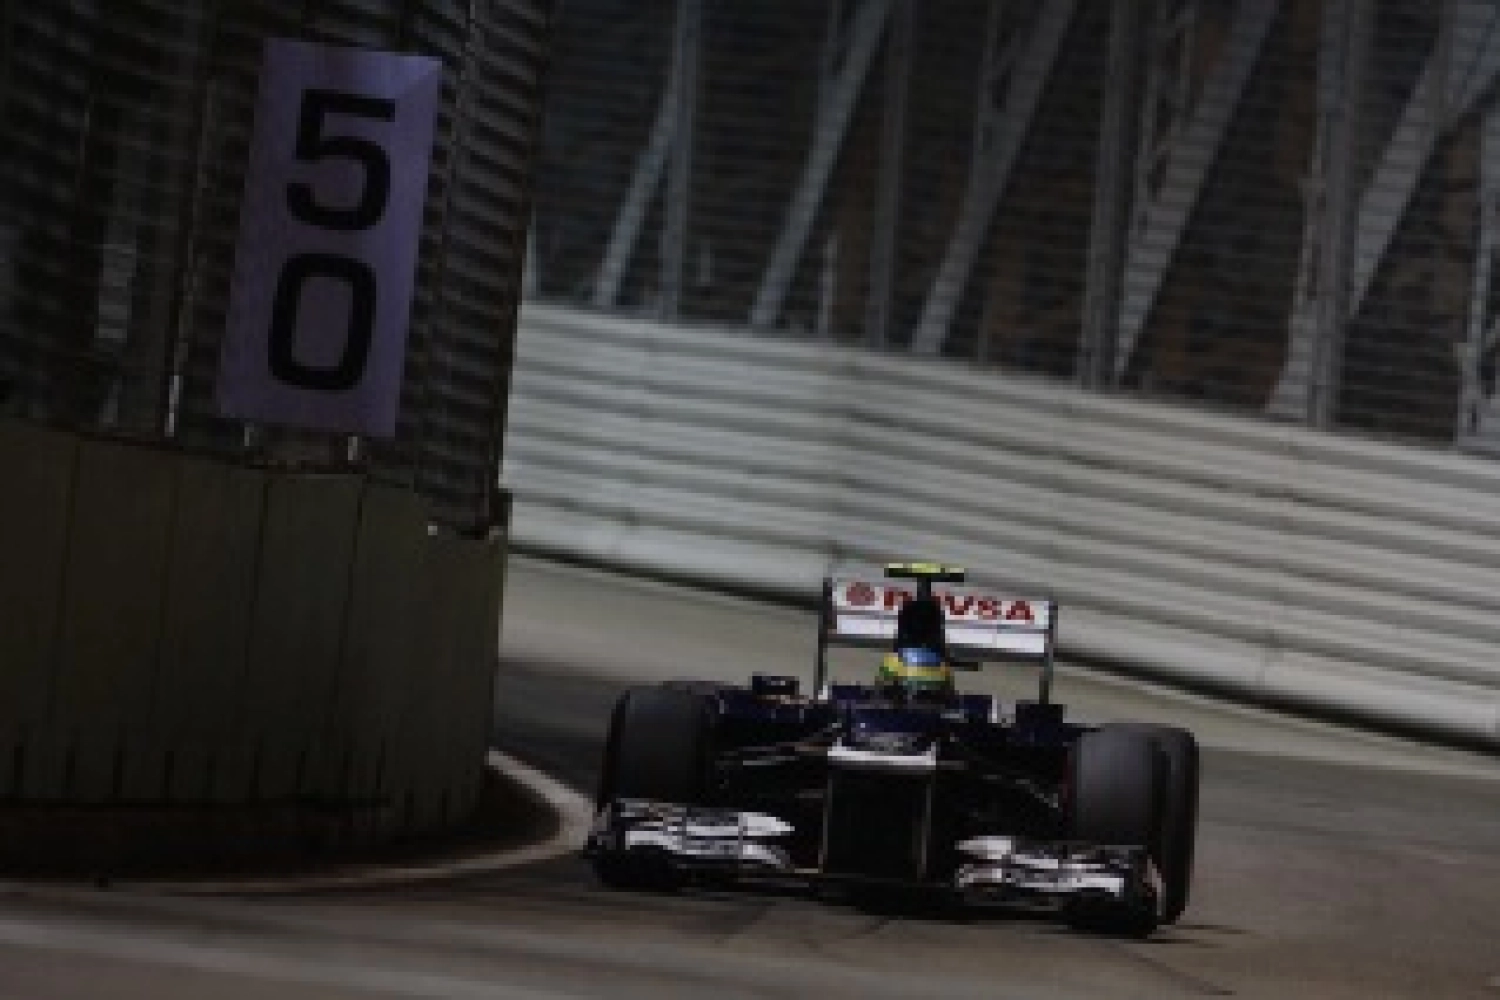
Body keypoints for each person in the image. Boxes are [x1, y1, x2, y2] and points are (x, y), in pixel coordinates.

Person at [875, 595, 956, 702]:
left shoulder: (894, 660)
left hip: (901, 707)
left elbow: (879, 690)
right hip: (931, 707)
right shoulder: (942, 665)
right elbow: (949, 695)